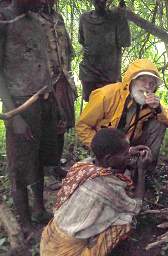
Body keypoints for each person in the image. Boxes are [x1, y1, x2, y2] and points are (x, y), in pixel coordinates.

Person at [40, 128, 152, 256]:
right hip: (66, 252)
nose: (128, 156)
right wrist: (142, 171)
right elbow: (135, 207)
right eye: (125, 154)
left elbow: (104, 161)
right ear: (108, 159)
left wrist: (129, 150)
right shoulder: (107, 188)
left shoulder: (82, 166)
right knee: (126, 221)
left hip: (49, 240)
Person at [0, 0, 59, 233]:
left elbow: (43, 64)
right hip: (21, 105)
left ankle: (39, 210)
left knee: (39, 159)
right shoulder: (4, 20)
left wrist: (53, 101)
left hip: (44, 101)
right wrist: (14, 117)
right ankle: (24, 222)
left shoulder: (36, 21)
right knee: (20, 164)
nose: (44, 1)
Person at [76, 59, 168, 169]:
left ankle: (145, 168)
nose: (147, 86)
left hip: (130, 146)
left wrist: (158, 109)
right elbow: (82, 126)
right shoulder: (105, 95)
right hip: (106, 147)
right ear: (131, 80)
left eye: (152, 83)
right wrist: (101, 148)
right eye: (143, 80)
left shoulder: (152, 102)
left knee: (159, 124)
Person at [37, 0, 77, 178]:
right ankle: (44, 169)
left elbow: (68, 50)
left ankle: (55, 166)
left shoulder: (58, 17)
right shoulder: (33, 18)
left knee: (63, 123)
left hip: (63, 79)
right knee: (46, 126)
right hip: (43, 83)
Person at [79, 0, 131, 101]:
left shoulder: (115, 17)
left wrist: (122, 17)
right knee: (93, 109)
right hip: (89, 74)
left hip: (109, 77)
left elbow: (125, 42)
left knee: (110, 108)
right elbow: (82, 40)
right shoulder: (84, 18)